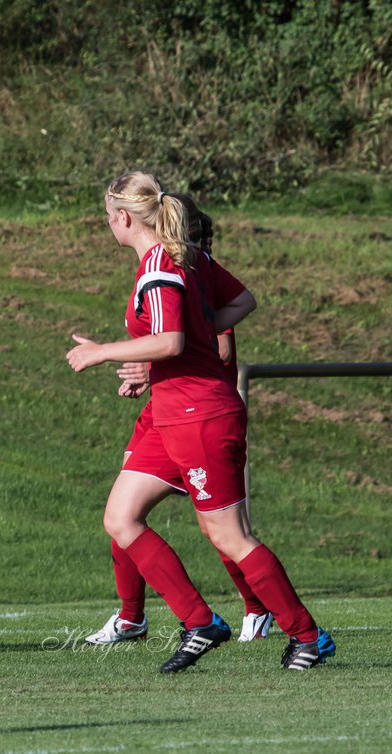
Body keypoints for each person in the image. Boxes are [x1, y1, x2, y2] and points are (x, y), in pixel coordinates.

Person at [66, 172, 334, 672]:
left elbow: (169, 341)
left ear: (124, 218)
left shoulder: (162, 268)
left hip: (200, 415)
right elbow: (240, 303)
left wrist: (102, 353)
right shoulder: (188, 259)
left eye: (108, 217)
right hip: (171, 413)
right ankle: (199, 622)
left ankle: (308, 635)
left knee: (229, 536)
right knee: (121, 518)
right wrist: (186, 343)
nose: (108, 225)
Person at [84, 194, 273, 647]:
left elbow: (214, 347)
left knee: (220, 528)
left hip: (198, 410)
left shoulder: (188, 270)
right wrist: (148, 373)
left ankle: (259, 608)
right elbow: (169, 343)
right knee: (124, 508)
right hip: (164, 408)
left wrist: (131, 358)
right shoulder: (165, 268)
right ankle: (133, 617)